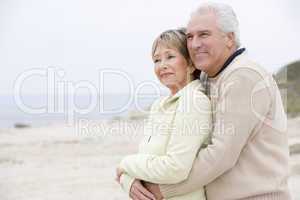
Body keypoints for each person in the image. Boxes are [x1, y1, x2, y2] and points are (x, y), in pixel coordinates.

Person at [128, 2, 291, 200]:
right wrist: (132, 180)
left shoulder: (244, 76)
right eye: (190, 36)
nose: (194, 44)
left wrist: (160, 190)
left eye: (204, 34)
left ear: (229, 38)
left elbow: (220, 155)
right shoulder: (207, 78)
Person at [116, 29, 212, 200]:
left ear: (190, 63)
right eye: (156, 60)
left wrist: (124, 164)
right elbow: (146, 158)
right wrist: (127, 180)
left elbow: (176, 168)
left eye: (170, 57)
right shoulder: (159, 106)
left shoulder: (194, 101)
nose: (162, 65)